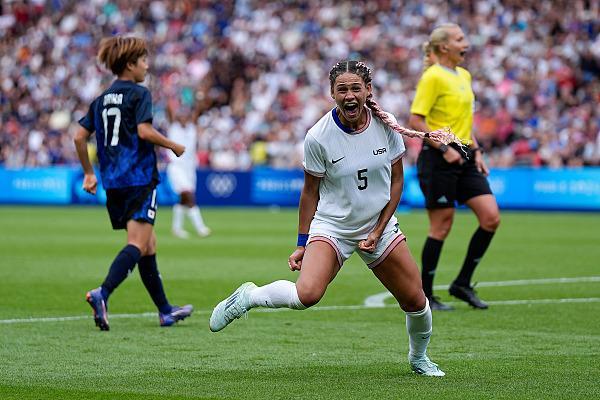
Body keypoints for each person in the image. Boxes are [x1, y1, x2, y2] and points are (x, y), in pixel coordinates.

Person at [209, 60, 459, 377]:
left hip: (378, 226)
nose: (350, 95)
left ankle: (419, 358)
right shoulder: (318, 137)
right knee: (307, 295)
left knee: (416, 301)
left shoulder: (387, 125)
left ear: (368, 91)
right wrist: (302, 243)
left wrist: (379, 229)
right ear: (332, 93)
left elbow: (397, 181)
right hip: (334, 227)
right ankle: (249, 296)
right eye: (342, 89)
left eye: (356, 88)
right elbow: (309, 193)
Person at [74, 36, 194, 330]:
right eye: (143, 61)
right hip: (139, 178)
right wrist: (172, 145)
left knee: (148, 245)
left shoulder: (100, 99)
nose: (147, 65)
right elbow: (143, 131)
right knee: (138, 243)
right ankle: (103, 292)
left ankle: (165, 310)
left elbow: (79, 136)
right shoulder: (139, 93)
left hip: (112, 181)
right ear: (130, 65)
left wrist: (89, 173)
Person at [408, 24, 501, 311]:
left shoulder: (464, 75)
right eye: (460, 39)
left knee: (490, 218)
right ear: (443, 46)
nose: (466, 43)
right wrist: (444, 148)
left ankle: (461, 283)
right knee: (441, 225)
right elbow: (416, 120)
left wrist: (477, 150)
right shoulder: (433, 76)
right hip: (439, 158)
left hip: (465, 155)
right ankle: (425, 295)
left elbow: (465, 123)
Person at [165, 99, 211, 239]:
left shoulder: (192, 128)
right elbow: (169, 110)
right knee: (189, 195)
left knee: (183, 199)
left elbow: (198, 110)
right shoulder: (173, 127)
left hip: (189, 168)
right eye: (181, 115)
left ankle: (176, 228)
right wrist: (170, 97)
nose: (184, 117)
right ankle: (201, 228)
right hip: (177, 167)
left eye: (186, 115)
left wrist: (200, 98)